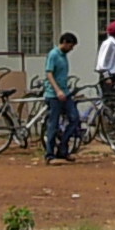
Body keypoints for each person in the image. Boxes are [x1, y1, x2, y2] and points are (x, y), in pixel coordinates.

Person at [43, 31, 81, 163]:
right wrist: (57, 91)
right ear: (64, 42)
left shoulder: (64, 56)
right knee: (53, 124)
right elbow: (49, 74)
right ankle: (49, 154)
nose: (71, 49)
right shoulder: (53, 55)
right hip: (54, 95)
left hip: (65, 93)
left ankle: (62, 149)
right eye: (71, 46)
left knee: (74, 119)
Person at [96, 18, 115, 100]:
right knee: (109, 101)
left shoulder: (113, 43)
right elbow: (102, 63)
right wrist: (107, 77)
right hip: (107, 77)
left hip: (111, 76)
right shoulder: (110, 44)